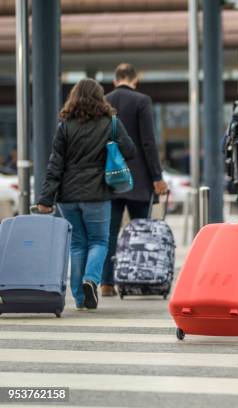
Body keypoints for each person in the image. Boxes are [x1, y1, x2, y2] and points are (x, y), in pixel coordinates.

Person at [37, 78, 136, 310]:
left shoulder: (65, 126)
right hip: (97, 192)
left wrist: (45, 198)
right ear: (99, 97)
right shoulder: (110, 123)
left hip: (67, 195)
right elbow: (130, 151)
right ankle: (90, 280)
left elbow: (55, 165)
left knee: (78, 244)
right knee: (99, 241)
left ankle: (80, 299)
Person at [102, 63, 168, 297]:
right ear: (135, 79)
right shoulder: (142, 101)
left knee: (109, 232)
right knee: (141, 231)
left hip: (110, 177)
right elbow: (148, 142)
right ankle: (140, 275)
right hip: (138, 179)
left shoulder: (104, 100)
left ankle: (107, 282)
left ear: (114, 80)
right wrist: (157, 177)